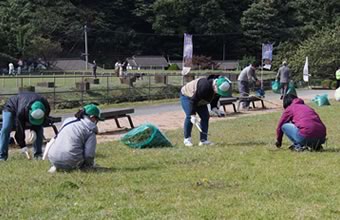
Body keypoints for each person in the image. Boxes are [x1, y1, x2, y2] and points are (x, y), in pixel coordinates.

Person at [47, 104, 104, 172]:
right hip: (71, 161)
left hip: (53, 158)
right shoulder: (90, 130)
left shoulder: (67, 121)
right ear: (92, 117)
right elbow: (89, 155)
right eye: (96, 119)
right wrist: (89, 165)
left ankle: (57, 167)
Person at [180, 77, 230, 146]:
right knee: (189, 117)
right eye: (218, 90)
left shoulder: (216, 89)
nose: (218, 93)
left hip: (199, 99)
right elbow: (193, 101)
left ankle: (203, 140)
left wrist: (215, 108)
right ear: (215, 85)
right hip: (187, 97)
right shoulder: (204, 86)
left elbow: (214, 99)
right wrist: (192, 114)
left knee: (205, 117)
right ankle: (187, 139)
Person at [0, 92, 51, 161]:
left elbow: (45, 119)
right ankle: (2, 156)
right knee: (6, 128)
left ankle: (38, 155)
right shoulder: (21, 111)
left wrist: (33, 128)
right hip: (11, 107)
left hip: (25, 108)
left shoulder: (46, 106)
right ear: (30, 112)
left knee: (39, 129)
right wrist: (23, 146)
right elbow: (19, 129)